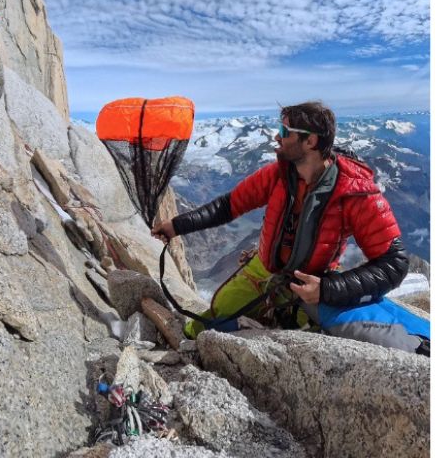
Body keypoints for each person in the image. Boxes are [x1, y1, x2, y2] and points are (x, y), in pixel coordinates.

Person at [151, 101, 428, 353]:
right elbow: (229, 205)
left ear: (311, 141)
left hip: (311, 284)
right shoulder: (279, 174)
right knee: (206, 325)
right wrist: (176, 226)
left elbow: (394, 263)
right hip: (263, 270)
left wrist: (328, 289)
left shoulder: (354, 191)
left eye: (285, 131)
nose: (277, 136)